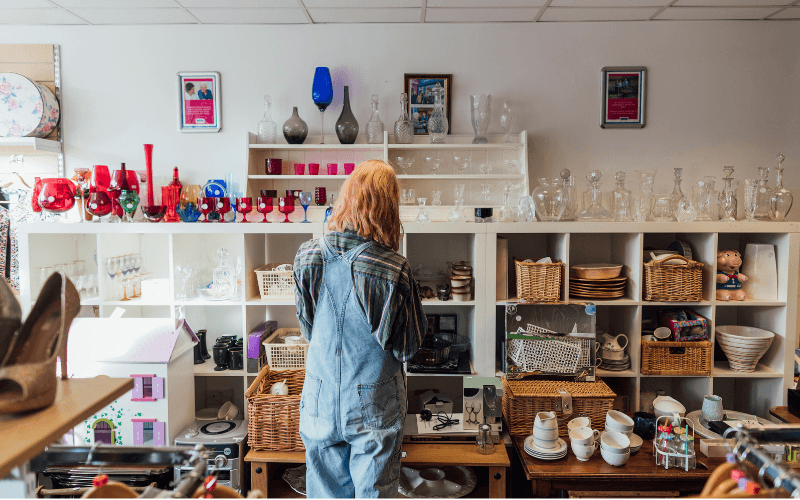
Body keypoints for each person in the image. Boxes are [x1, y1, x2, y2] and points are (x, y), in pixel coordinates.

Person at [294, 160, 426, 498]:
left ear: (346, 198)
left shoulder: (306, 257)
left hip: (319, 397)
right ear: (388, 207)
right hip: (374, 400)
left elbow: (309, 328)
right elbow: (408, 347)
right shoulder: (394, 268)